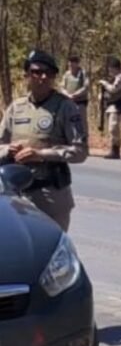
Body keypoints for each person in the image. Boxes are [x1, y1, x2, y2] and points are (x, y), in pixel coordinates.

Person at [0, 49, 89, 231]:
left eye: (49, 73)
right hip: (15, 196)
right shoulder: (16, 108)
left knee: (50, 245)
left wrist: (41, 155)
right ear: (26, 75)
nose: (43, 77)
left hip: (51, 196)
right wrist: (8, 150)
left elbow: (80, 151)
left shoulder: (66, 107)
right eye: (37, 72)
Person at [97, 56, 121, 159]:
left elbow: (113, 89)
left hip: (117, 105)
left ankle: (115, 149)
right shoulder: (112, 78)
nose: (110, 71)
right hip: (109, 105)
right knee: (111, 129)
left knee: (113, 127)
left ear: (116, 68)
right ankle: (113, 149)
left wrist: (104, 83)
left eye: (111, 68)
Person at [60, 55, 90, 128]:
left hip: (80, 102)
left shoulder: (83, 73)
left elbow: (86, 87)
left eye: (72, 63)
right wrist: (67, 95)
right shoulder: (66, 74)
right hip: (68, 102)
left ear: (77, 64)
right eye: (69, 63)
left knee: (81, 122)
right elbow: (62, 87)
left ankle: (83, 135)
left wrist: (75, 94)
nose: (70, 65)